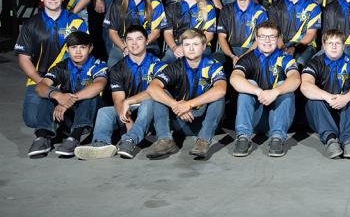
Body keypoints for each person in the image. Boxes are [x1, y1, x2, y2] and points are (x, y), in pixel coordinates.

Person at [17, 0, 89, 154]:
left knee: (78, 110)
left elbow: (83, 55)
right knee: (32, 119)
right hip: (40, 77)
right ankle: (60, 124)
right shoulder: (30, 24)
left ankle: (51, 132)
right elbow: (23, 58)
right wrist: (42, 82)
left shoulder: (77, 22)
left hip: (70, 78)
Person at [74, 25, 166, 160]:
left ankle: (130, 140)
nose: (134, 43)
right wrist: (128, 122)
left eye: (139, 39)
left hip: (151, 111)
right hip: (128, 110)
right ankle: (100, 144)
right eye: (130, 39)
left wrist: (129, 101)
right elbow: (118, 99)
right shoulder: (118, 68)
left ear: (146, 41)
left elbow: (155, 93)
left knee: (149, 102)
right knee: (104, 111)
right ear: (125, 43)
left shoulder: (158, 65)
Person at [146, 29, 227, 160]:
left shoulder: (213, 66)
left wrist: (188, 104)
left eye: (195, 44)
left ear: (204, 46)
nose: (191, 49)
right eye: (187, 45)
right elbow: (152, 88)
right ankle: (165, 140)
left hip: (203, 122)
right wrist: (175, 105)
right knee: (160, 93)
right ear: (181, 47)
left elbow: (221, 90)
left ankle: (203, 141)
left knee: (218, 97)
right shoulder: (174, 66)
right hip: (179, 120)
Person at [30, 31, 107, 157]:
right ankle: (42, 137)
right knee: (48, 94)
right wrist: (57, 96)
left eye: (82, 47)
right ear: (67, 49)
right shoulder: (61, 67)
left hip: (91, 115)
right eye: (73, 47)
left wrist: (68, 101)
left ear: (90, 48)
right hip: (68, 116)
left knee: (91, 95)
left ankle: (74, 138)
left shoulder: (98, 65)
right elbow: (40, 87)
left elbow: (99, 85)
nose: (77, 52)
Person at [230, 22, 300, 157]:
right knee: (248, 84)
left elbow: (296, 79)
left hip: (278, 119)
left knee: (284, 86)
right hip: (255, 120)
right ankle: (243, 137)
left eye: (272, 37)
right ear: (256, 39)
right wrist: (258, 92)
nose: (267, 41)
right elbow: (234, 79)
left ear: (278, 39)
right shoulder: (247, 58)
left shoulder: (286, 58)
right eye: (262, 37)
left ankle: (277, 139)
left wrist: (276, 92)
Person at [301, 29, 350, 159]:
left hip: (344, 112)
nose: (334, 46)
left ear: (344, 45)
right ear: (324, 45)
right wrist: (328, 97)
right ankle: (330, 139)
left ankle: (349, 141)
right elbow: (305, 85)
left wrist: (346, 98)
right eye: (330, 43)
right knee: (313, 99)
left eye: (338, 43)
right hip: (322, 114)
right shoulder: (315, 62)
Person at [103, 0, 166, 67]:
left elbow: (156, 32)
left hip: (148, 44)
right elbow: (112, 32)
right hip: (123, 44)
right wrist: (125, 48)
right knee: (112, 64)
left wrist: (140, 46)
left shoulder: (155, 2)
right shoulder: (117, 3)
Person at [268, 0, 322, 68]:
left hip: (305, 46)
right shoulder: (274, 7)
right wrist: (283, 49)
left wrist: (294, 48)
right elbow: (275, 33)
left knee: (297, 63)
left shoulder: (313, 6)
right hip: (282, 45)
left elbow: (311, 34)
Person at [163, 0, 217, 64]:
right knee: (163, 64)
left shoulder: (208, 6)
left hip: (200, 45)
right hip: (178, 45)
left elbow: (210, 34)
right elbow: (167, 32)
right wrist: (175, 48)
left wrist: (192, 46)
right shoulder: (172, 6)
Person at [216, 0, 269, 64]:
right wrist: (232, 56)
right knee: (215, 60)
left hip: (251, 51)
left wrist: (244, 56)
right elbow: (221, 37)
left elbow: (260, 39)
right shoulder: (226, 10)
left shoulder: (260, 11)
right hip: (229, 51)